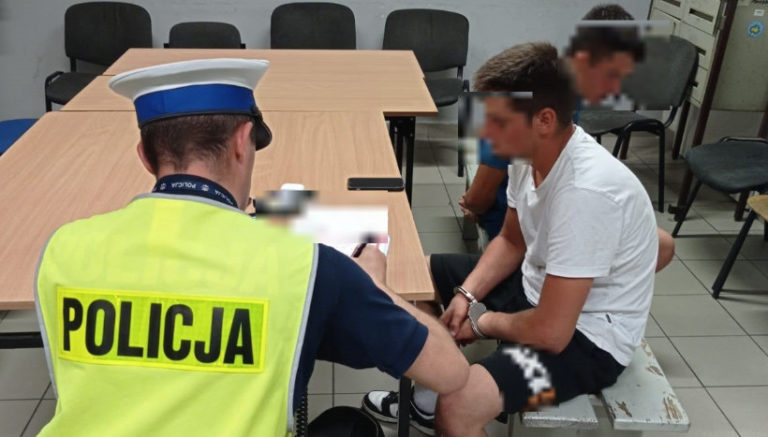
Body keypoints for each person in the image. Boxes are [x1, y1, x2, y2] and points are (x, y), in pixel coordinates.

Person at [33, 59, 469, 437]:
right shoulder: (307, 265)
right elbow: (451, 372)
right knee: (352, 426)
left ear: (145, 158)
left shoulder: (63, 250)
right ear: (243, 142)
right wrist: (375, 284)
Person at [364, 42, 658, 437]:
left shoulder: (586, 193)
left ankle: (444, 405)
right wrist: (466, 295)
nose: (485, 132)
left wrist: (482, 323)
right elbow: (511, 241)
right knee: (419, 275)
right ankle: (426, 399)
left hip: (587, 340)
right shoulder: (528, 156)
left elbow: (551, 333)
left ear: (544, 120)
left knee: (459, 407)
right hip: (536, 290)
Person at [460, 3, 675, 271]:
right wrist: (474, 205)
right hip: (519, 227)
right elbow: (481, 196)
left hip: (547, 214)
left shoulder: (564, 89)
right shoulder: (529, 101)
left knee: (658, 243)